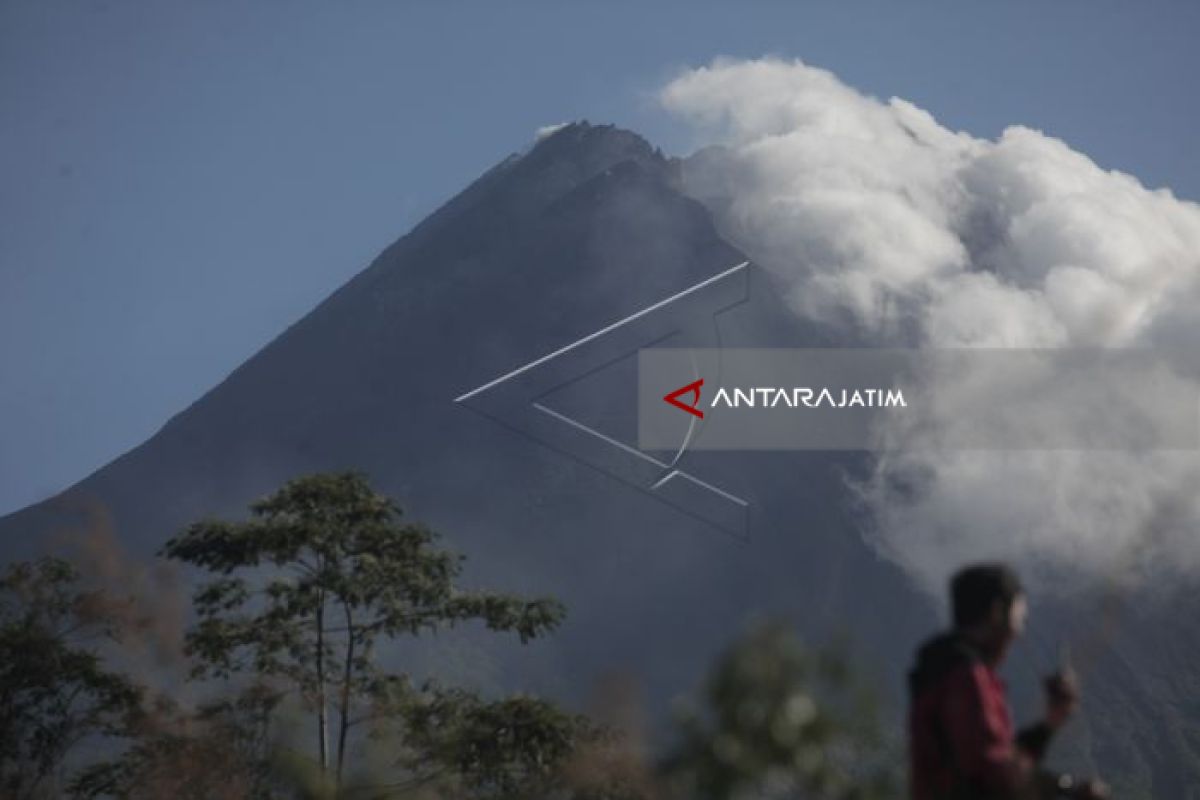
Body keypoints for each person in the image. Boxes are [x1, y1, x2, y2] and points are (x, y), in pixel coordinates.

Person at [908, 563, 1109, 799]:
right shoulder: (966, 679)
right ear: (996, 612)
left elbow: (997, 755)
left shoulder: (946, 671)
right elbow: (993, 774)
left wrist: (1050, 722)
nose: (1019, 631)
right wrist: (1070, 789)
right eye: (1018, 618)